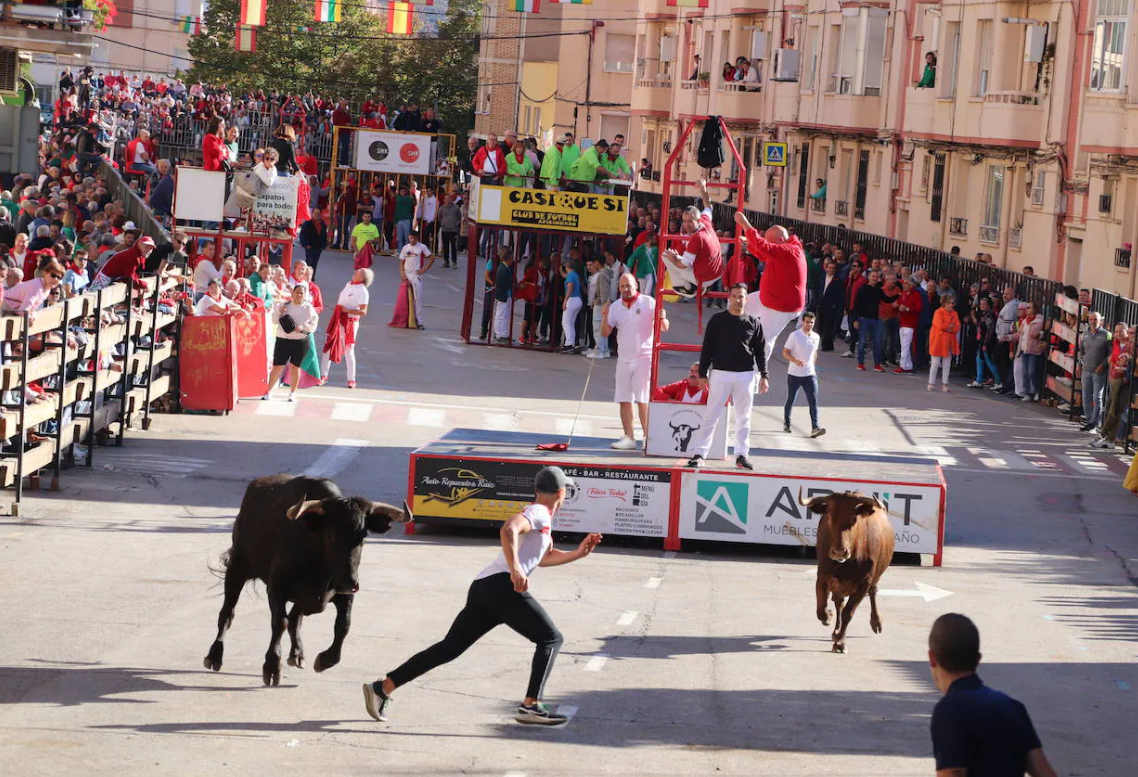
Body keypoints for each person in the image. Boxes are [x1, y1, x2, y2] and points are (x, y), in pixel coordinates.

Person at [363, 466, 602, 727]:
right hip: (501, 587)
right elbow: (508, 529)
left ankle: (382, 687)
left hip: (484, 588)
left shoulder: (542, 519)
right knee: (551, 638)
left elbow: (543, 559)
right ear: (562, 492)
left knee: (449, 648)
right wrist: (516, 570)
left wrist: (578, 553)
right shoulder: (539, 512)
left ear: (538, 490)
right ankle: (531, 705)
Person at [927, 614, 1058, 777]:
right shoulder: (1013, 707)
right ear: (978, 659)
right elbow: (1045, 773)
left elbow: (953, 773)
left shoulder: (948, 711)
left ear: (932, 658)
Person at [687, 283, 770, 470]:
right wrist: (702, 373)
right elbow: (707, 347)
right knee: (711, 415)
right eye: (734, 296)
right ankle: (700, 454)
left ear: (746, 299)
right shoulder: (717, 321)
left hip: (746, 376)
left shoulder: (754, 323)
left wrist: (764, 375)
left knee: (744, 418)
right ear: (729, 298)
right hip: (720, 374)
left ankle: (741, 455)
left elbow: (760, 352)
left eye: (741, 296)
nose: (737, 300)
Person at [604, 273, 668, 450]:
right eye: (622, 286)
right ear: (619, 288)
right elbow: (605, 332)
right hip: (623, 358)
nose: (626, 289)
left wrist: (662, 317)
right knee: (624, 398)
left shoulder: (648, 302)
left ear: (636, 286)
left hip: (644, 357)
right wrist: (604, 314)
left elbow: (664, 327)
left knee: (642, 399)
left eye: (629, 285)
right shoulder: (616, 306)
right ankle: (629, 437)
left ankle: (648, 438)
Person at [736, 212, 807, 364]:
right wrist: (749, 244)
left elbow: (765, 248)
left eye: (770, 241)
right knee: (737, 305)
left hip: (781, 307)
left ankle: (756, 373)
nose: (767, 243)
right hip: (769, 297)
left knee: (763, 339)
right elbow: (764, 253)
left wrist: (745, 225)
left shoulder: (790, 251)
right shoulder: (784, 249)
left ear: (780, 240)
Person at [662, 179, 723, 297]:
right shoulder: (705, 222)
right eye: (684, 221)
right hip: (717, 272)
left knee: (665, 255)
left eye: (690, 221)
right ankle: (693, 286)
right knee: (676, 257)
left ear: (698, 220)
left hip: (705, 278)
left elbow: (682, 265)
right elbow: (708, 206)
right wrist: (703, 189)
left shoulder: (696, 238)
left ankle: (685, 289)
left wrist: (673, 257)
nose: (686, 225)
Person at [265, 284, 319, 402]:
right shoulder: (283, 305)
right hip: (283, 340)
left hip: (300, 341)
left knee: (295, 367)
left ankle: (292, 393)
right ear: (292, 293)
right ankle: (267, 391)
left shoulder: (308, 308)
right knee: (278, 366)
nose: (299, 295)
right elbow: (274, 321)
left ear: (305, 295)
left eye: (302, 293)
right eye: (297, 292)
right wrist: (279, 311)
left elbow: (313, 324)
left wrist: (303, 327)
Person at [321, 267, 373, 389]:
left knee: (349, 350)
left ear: (363, 277)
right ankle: (323, 375)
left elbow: (363, 311)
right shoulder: (348, 284)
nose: (354, 273)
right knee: (329, 344)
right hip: (338, 319)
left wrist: (348, 311)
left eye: (358, 273)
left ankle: (351, 379)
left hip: (350, 322)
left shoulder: (363, 291)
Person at [782, 312, 825, 438]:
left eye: (811, 322)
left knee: (813, 401)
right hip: (794, 374)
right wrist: (795, 360)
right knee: (791, 399)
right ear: (802, 322)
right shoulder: (794, 335)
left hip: (809, 375)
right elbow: (785, 352)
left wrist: (813, 367)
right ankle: (787, 422)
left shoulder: (816, 337)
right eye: (807, 322)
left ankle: (815, 427)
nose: (809, 325)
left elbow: (814, 353)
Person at [1092, 324, 1134, 449]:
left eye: (1122, 331)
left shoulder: (1132, 346)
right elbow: (1112, 359)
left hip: (1127, 381)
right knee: (1113, 408)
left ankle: (1104, 435)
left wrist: (1130, 360)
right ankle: (1110, 439)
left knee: (1115, 410)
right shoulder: (1115, 344)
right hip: (1115, 379)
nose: (1119, 333)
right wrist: (1107, 369)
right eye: (1116, 331)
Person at [1078, 311, 1110, 432]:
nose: (1093, 322)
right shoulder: (1084, 334)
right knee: (1086, 397)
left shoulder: (1107, 335)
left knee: (1097, 397)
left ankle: (1096, 423)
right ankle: (1089, 421)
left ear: (1100, 321)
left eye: (1095, 319)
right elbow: (1081, 352)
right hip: (1086, 370)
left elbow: (1110, 354)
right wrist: (1079, 364)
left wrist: (1103, 365)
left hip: (1099, 372)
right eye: (1091, 319)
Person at [398, 229, 433, 329]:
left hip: (415, 275)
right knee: (404, 299)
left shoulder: (422, 247)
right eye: (411, 237)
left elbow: (431, 257)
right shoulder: (405, 248)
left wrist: (424, 269)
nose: (412, 240)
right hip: (406, 275)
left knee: (417, 299)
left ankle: (420, 322)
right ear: (409, 237)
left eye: (414, 238)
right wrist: (402, 273)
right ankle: (405, 320)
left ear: (417, 238)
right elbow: (401, 261)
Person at [928, 294, 961, 392]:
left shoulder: (954, 313)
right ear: (945, 304)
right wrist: (950, 326)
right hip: (938, 340)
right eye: (950, 303)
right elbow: (940, 325)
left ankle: (945, 384)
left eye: (953, 303)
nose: (952, 305)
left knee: (947, 362)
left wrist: (949, 327)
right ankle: (931, 383)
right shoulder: (938, 312)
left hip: (949, 340)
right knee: (935, 363)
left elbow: (957, 326)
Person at [559, 259, 584, 353]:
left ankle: (568, 344)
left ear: (567, 267)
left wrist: (565, 300)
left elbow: (570, 286)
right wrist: (561, 271)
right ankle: (571, 343)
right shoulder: (574, 274)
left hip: (572, 300)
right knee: (571, 323)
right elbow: (566, 277)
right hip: (578, 300)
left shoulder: (570, 275)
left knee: (565, 322)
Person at [493, 250, 516, 343]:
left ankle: (504, 333)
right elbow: (502, 283)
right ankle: (499, 333)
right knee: (500, 315)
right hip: (503, 295)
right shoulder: (502, 269)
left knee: (506, 315)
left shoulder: (506, 268)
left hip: (507, 295)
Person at [299, 208, 329, 278]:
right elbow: (303, 235)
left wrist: (324, 245)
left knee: (315, 264)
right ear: (312, 214)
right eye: (315, 213)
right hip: (310, 247)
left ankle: (312, 278)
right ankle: (305, 277)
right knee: (309, 263)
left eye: (318, 213)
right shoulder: (307, 223)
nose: (317, 215)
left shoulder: (323, 224)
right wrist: (306, 245)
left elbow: (324, 235)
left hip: (318, 247)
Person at [627, 231, 658, 296]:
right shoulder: (640, 249)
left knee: (648, 292)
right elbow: (633, 257)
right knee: (643, 292)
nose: (656, 240)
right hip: (642, 272)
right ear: (650, 239)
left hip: (651, 273)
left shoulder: (656, 249)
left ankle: (648, 305)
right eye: (654, 239)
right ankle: (643, 305)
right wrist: (629, 266)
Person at [437, 193, 461, 269]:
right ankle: (446, 262)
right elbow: (439, 217)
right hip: (444, 230)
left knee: (453, 247)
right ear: (444, 200)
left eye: (449, 198)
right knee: (445, 246)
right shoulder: (441, 208)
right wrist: (443, 223)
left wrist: (455, 224)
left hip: (453, 230)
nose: (447, 200)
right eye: (446, 199)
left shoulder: (456, 208)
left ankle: (454, 262)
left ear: (451, 199)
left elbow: (459, 217)